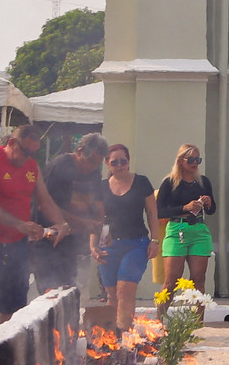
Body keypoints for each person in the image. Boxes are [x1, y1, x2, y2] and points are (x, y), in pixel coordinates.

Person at [0, 121, 71, 339]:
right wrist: (18, 224)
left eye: (33, 152)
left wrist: (60, 223)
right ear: (12, 143)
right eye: (25, 151)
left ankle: (5, 352)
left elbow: (45, 200)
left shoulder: (31, 166)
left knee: (13, 304)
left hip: (17, 244)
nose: (28, 157)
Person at [36, 133, 106, 297]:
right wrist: (83, 222)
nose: (93, 167)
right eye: (91, 162)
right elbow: (46, 205)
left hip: (70, 240)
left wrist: (99, 230)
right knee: (49, 292)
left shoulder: (95, 174)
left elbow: (98, 206)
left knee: (68, 288)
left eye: (98, 163)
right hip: (48, 237)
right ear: (79, 151)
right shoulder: (59, 166)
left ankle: (68, 322)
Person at [96, 143, 157, 321]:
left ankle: (125, 335)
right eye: (115, 162)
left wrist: (155, 240)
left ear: (129, 162)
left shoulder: (142, 182)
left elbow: (152, 213)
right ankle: (111, 339)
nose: (120, 165)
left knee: (125, 290)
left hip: (136, 244)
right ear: (107, 163)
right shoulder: (101, 187)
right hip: (108, 245)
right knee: (112, 294)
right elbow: (97, 220)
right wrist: (93, 246)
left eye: (123, 161)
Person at [157, 145, 216, 295]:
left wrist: (208, 204)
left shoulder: (203, 181)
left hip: (198, 230)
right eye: (190, 159)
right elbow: (160, 211)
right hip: (177, 229)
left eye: (198, 159)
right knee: (171, 281)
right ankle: (159, 318)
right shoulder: (170, 182)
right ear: (180, 161)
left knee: (198, 280)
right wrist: (185, 208)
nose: (195, 163)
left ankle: (197, 319)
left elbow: (212, 210)